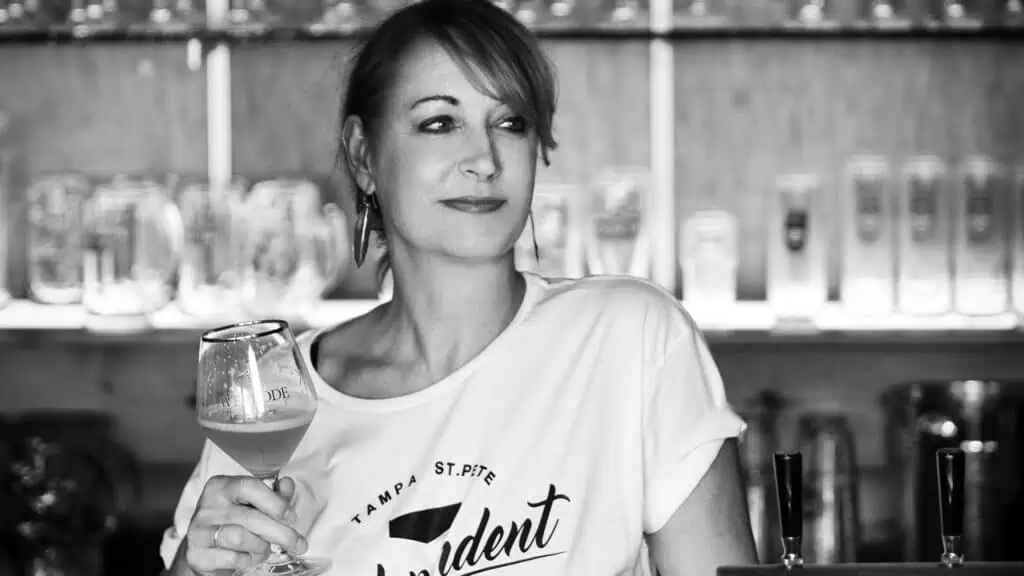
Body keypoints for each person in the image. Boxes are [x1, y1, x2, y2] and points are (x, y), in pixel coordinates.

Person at [161, 0, 757, 574]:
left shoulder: (629, 340)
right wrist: (195, 566)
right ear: (363, 154)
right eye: (440, 123)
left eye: (510, 122)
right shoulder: (276, 397)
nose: (484, 158)